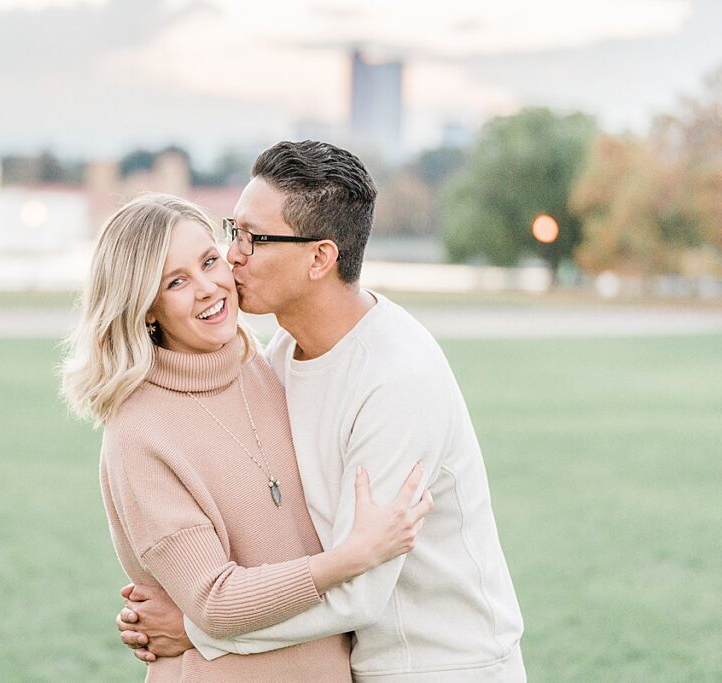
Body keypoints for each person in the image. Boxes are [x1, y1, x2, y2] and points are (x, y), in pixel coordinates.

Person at [116, 141, 527, 682]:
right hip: (357, 665)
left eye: (254, 239)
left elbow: (360, 591)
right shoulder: (280, 357)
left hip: (442, 665)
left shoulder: (396, 379)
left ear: (319, 258)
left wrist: (195, 628)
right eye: (232, 231)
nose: (233, 255)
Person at [60, 193, 433, 681]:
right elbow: (214, 599)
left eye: (210, 261)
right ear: (146, 309)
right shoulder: (138, 433)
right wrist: (352, 557)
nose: (209, 287)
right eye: (176, 281)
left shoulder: (268, 367)